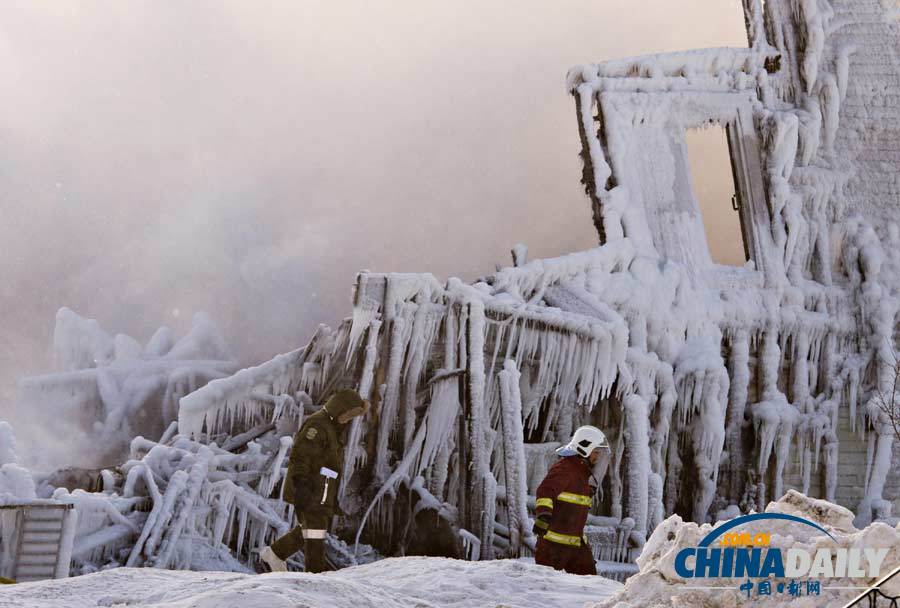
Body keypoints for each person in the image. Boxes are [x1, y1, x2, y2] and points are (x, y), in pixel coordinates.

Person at [260, 389, 369, 573]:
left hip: (322, 490)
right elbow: (301, 456)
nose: (349, 420)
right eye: (348, 415)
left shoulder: (332, 428)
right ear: (339, 409)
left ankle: (275, 553)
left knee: (308, 530)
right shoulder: (318, 425)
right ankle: (315, 577)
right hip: (310, 489)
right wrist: (301, 484)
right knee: (315, 534)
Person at [532, 425, 609, 575]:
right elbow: (545, 490)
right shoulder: (565, 469)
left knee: (591, 586)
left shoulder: (582, 474)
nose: (597, 457)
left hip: (576, 546)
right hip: (552, 547)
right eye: (595, 452)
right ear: (583, 449)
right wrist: (543, 515)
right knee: (546, 588)